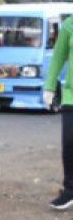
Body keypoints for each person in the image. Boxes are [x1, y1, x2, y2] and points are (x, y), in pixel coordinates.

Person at [46, 14, 73, 208]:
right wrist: (49, 86)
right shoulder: (69, 24)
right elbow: (58, 57)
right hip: (71, 95)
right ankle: (70, 190)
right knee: (69, 143)